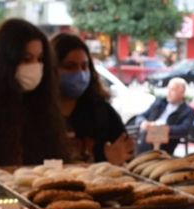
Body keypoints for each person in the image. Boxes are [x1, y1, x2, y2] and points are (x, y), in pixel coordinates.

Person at [0, 18, 69, 166]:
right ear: (5, 62)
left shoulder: (45, 106)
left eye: (40, 59)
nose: (35, 66)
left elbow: (56, 162)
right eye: (26, 59)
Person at [50, 32, 133, 164]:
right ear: (51, 69)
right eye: (69, 67)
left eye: (84, 66)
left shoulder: (102, 113)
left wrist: (112, 163)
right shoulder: (36, 114)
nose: (79, 73)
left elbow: (126, 155)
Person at [135, 77, 194, 154]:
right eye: (168, 89)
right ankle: (144, 157)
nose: (169, 92)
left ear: (182, 93)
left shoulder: (187, 111)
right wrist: (143, 122)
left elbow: (184, 128)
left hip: (167, 138)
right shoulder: (160, 103)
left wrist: (165, 128)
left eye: (172, 90)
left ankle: (144, 157)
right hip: (149, 130)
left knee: (151, 133)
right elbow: (141, 116)